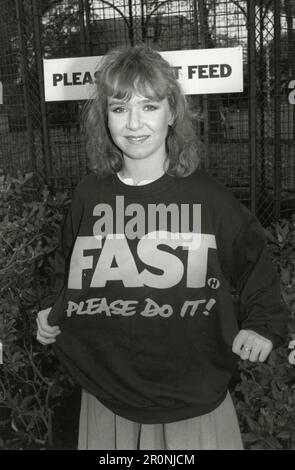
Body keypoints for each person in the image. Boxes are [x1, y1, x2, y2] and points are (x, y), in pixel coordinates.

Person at [36, 44, 288, 450]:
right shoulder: (89, 194)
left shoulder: (208, 197)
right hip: (107, 397)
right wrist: (52, 304)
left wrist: (263, 325)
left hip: (193, 399)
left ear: (172, 113)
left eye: (149, 106)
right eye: (119, 109)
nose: (134, 123)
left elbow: (255, 261)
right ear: (104, 118)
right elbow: (67, 265)